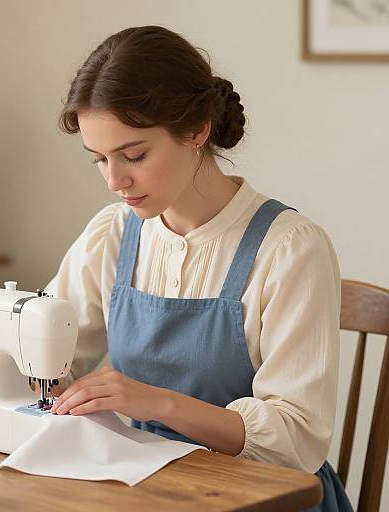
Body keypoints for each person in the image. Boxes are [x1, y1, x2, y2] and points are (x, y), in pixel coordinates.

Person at [43, 25, 352, 511]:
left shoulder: (290, 249)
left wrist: (154, 402)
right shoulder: (114, 234)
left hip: (265, 496)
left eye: (134, 155)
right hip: (149, 488)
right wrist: (47, 380)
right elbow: (50, 344)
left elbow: (296, 440)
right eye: (99, 160)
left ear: (196, 130)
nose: (114, 180)